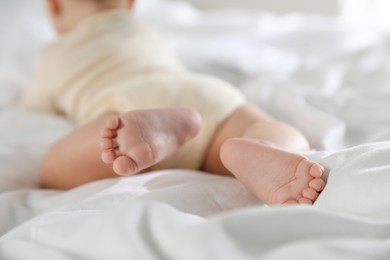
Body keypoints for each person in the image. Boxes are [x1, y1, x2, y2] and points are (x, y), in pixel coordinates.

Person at [20, 0, 326, 205]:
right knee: (266, 125)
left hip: (128, 108)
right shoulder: (146, 31)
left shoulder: (53, 55)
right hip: (206, 93)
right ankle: (266, 145)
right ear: (130, 4)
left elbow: (32, 103)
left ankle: (157, 130)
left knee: (55, 167)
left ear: (54, 7)